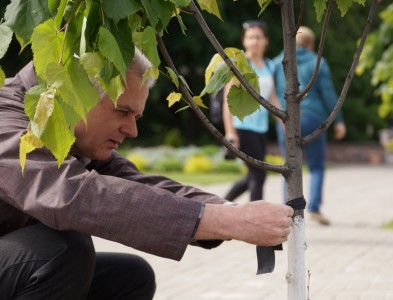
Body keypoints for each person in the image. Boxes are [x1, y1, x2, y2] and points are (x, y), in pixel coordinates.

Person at [0, 49, 294, 299]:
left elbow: (134, 182)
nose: (132, 130)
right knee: (61, 252)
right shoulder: (6, 122)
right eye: (123, 112)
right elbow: (73, 195)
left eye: (136, 117)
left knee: (130, 276)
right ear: (78, 95)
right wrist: (222, 222)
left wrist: (231, 211)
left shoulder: (69, 135)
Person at [273, 26, 346, 225]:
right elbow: (328, 93)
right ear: (311, 44)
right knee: (316, 166)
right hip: (312, 117)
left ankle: (286, 212)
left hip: (285, 120)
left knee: (287, 167)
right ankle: (313, 207)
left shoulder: (277, 62)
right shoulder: (317, 62)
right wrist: (338, 121)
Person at [223, 20, 283, 203]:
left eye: (258, 37)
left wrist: (284, 121)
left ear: (266, 40)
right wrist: (230, 132)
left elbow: (271, 97)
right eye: (250, 38)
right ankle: (256, 223)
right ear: (244, 41)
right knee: (259, 175)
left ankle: (222, 204)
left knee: (253, 176)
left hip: (260, 128)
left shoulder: (269, 66)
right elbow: (228, 100)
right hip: (242, 125)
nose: (254, 41)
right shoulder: (239, 66)